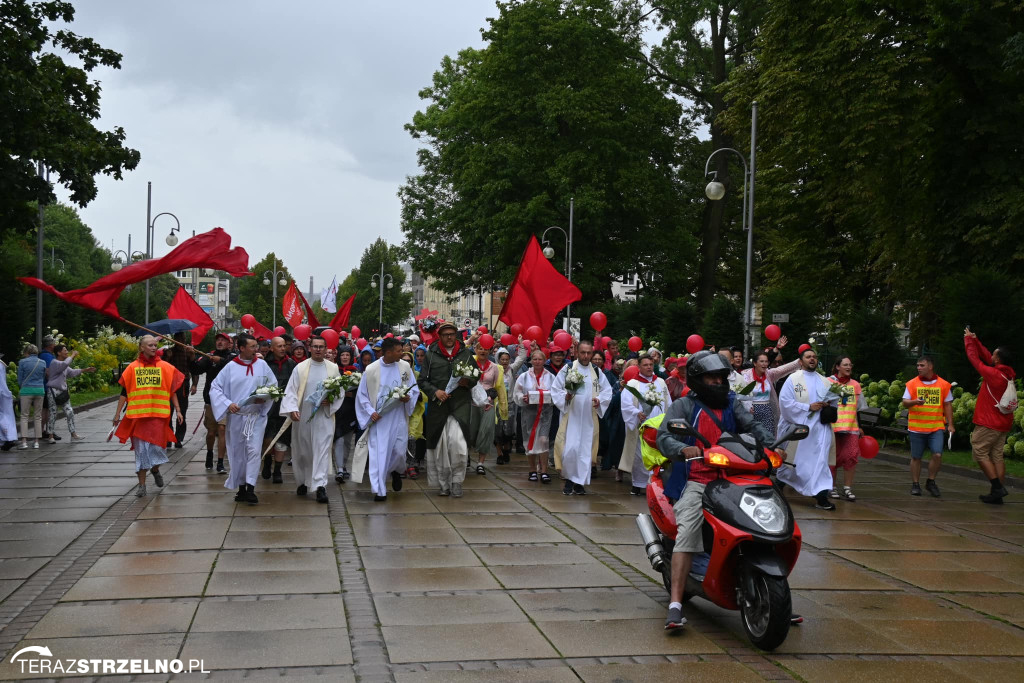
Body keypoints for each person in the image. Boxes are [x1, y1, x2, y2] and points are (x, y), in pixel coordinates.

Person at [656, 350, 775, 630]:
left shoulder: (732, 403)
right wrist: (682, 448)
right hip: (699, 478)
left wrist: (773, 443)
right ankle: (675, 604)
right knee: (688, 529)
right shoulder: (684, 406)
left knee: (764, 520)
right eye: (712, 377)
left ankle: (773, 596)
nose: (718, 382)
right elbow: (664, 436)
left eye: (721, 377)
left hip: (735, 477)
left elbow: (753, 426)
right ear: (698, 380)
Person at [210, 333, 278, 505]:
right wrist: (227, 403)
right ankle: (240, 487)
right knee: (238, 452)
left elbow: (273, 385)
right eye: (252, 346)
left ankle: (250, 487)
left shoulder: (262, 365)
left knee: (254, 451)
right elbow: (215, 388)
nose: (256, 349)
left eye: (256, 346)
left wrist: (266, 397)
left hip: (255, 417)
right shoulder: (231, 367)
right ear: (241, 348)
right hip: (237, 417)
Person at [112, 336, 185, 496]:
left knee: (157, 451)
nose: (153, 347)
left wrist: (178, 410)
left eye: (155, 345)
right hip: (138, 418)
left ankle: (155, 469)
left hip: (158, 418)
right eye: (150, 345)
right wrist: (117, 414)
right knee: (141, 453)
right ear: (141, 348)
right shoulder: (132, 368)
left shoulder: (165, 367)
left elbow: (171, 390)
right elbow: (124, 393)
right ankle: (142, 486)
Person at [350, 337, 420, 501]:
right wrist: (370, 412)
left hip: (399, 417)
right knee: (379, 454)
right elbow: (362, 396)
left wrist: (407, 398)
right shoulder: (372, 369)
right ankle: (379, 490)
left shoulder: (404, 367)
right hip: (380, 419)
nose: (402, 353)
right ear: (388, 352)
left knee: (399, 452)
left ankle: (395, 470)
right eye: (398, 351)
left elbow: (414, 389)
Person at [281, 336, 343, 504]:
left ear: (326, 349)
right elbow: (291, 391)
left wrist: (330, 400)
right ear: (310, 348)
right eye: (315, 346)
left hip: (324, 416)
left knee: (322, 450)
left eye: (321, 347)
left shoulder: (333, 368)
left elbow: (340, 392)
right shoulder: (300, 368)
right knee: (303, 451)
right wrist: (292, 409)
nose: (317, 349)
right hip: (303, 416)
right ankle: (302, 481)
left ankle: (320, 486)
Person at [418, 321, 478, 497]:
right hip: (439, 407)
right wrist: (435, 392)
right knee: (440, 448)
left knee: (458, 445)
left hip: (460, 405)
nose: (449, 337)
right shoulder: (431, 354)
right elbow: (422, 380)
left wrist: (468, 382)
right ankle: (443, 484)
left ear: (456, 335)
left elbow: (476, 375)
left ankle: (457, 481)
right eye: (445, 335)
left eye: (452, 334)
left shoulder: (465, 354)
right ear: (440, 336)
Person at [776, 346, 837, 510]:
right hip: (802, 429)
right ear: (801, 361)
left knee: (821, 463)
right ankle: (777, 485)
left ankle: (821, 497)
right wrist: (808, 407)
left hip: (820, 431)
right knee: (794, 464)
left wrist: (827, 404)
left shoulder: (825, 381)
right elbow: (785, 403)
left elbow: (834, 401)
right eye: (808, 356)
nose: (812, 359)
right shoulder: (793, 379)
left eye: (814, 357)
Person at [551, 339, 612, 495]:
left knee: (585, 451)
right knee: (570, 449)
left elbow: (607, 391)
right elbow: (556, 388)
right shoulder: (569, 369)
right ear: (577, 352)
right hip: (572, 417)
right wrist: (566, 397)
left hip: (589, 418)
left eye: (589, 353)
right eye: (583, 352)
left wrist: (600, 401)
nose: (585, 356)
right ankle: (569, 479)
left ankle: (579, 483)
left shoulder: (597, 372)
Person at [964, 330, 1016, 504]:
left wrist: (968, 341)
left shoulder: (994, 375)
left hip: (989, 422)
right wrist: (975, 339)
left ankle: (997, 487)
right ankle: (997, 494)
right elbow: (987, 356)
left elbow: (975, 359)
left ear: (998, 360)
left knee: (979, 451)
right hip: (1003, 423)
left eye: (994, 355)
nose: (991, 356)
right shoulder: (1006, 373)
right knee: (997, 456)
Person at [619, 355, 671, 495]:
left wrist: (668, 419)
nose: (649, 367)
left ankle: (654, 485)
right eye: (645, 365)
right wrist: (637, 413)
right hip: (640, 426)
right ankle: (638, 484)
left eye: (651, 364)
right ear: (639, 367)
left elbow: (668, 402)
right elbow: (625, 404)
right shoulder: (632, 384)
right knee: (640, 455)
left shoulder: (660, 382)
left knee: (657, 455)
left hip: (658, 425)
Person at [902, 356, 954, 497]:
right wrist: (914, 402)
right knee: (916, 457)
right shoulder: (912, 384)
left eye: (922, 365)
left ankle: (931, 481)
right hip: (916, 427)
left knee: (937, 454)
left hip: (936, 426)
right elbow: (905, 402)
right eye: (917, 365)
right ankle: (915, 484)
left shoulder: (943, 384)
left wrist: (950, 424)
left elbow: (947, 404)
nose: (918, 367)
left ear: (930, 367)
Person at [193, 333, 236, 472]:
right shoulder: (209, 356)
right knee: (211, 432)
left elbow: (233, 366)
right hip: (211, 400)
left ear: (229, 343)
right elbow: (197, 369)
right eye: (218, 339)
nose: (220, 342)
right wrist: (191, 358)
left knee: (222, 430)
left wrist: (221, 361)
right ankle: (210, 453)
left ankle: (220, 462)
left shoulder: (233, 357)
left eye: (223, 340)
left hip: (226, 400)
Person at [514, 347, 555, 484]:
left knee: (543, 440)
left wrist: (549, 397)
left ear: (544, 361)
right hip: (529, 412)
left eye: (540, 359)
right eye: (535, 359)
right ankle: (532, 470)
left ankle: (544, 471)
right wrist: (523, 398)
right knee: (529, 440)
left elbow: (556, 393)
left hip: (545, 412)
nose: (537, 362)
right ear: (531, 361)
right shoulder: (524, 376)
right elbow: (517, 393)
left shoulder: (550, 376)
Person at [828, 356, 867, 501]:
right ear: (838, 367)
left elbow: (858, 408)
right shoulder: (830, 382)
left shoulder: (855, 385)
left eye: (850, 365)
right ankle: (831, 487)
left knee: (851, 456)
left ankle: (847, 488)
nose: (848, 367)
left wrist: (860, 426)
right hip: (833, 428)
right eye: (845, 365)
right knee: (832, 458)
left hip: (851, 427)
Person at [741, 338, 798, 435]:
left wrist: (799, 361)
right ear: (755, 363)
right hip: (751, 413)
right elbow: (739, 395)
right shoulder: (745, 375)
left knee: (768, 440)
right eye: (761, 361)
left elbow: (783, 369)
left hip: (767, 411)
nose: (764, 364)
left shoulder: (769, 374)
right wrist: (746, 407)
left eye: (766, 361)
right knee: (753, 441)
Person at [261, 337, 297, 484]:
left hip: (285, 408)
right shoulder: (264, 364)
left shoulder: (291, 364)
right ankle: (268, 460)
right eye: (279, 346)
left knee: (282, 440)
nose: (282, 349)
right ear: (272, 348)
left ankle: (277, 471)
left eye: (284, 346)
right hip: (269, 408)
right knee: (268, 439)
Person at [44, 344, 96, 442]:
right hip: (53, 391)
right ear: (59, 353)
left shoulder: (63, 365)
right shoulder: (55, 363)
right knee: (53, 413)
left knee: (70, 412)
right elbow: (64, 365)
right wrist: (72, 356)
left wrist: (85, 370)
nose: (67, 352)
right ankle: (50, 435)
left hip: (63, 392)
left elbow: (71, 372)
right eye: (65, 350)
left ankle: (73, 434)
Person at [469, 342, 502, 475]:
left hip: (488, 404)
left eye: (486, 349)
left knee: (486, 431)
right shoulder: (469, 364)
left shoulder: (495, 367)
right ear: (475, 349)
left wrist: (490, 398)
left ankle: (481, 463)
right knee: (471, 432)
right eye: (480, 348)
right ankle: (466, 456)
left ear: (490, 351)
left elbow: (497, 387)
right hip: (471, 403)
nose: (483, 351)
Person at [162, 332, 196, 448]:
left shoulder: (188, 352)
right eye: (178, 338)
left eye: (183, 338)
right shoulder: (169, 352)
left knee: (182, 411)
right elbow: (161, 366)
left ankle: (178, 438)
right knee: (168, 412)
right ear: (174, 339)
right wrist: (167, 357)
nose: (181, 340)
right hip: (170, 385)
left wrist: (194, 384)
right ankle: (168, 437)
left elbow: (194, 369)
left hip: (183, 385)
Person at [333, 346, 361, 482]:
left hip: (350, 411)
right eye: (342, 355)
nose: (344, 357)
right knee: (339, 439)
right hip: (337, 411)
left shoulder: (356, 372)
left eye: (347, 355)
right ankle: (339, 468)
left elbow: (361, 392)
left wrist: (352, 394)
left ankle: (343, 465)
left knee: (348, 441)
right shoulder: (334, 371)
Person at [16, 344, 47, 450]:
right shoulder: (42, 362)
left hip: (26, 390)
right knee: (37, 416)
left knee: (24, 416)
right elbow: (43, 377)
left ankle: (24, 442)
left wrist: (22, 386)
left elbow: (20, 379)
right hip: (39, 390)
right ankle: (37, 442)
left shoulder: (22, 362)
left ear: (27, 352)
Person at [38, 336, 56, 441]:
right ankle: (46, 431)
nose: (54, 345)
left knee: (45, 410)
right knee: (47, 411)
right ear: (50, 345)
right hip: (47, 387)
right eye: (53, 343)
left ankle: (43, 431)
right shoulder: (47, 356)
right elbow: (48, 371)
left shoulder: (42, 354)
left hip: (44, 386)